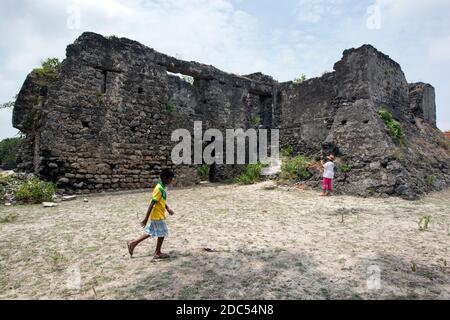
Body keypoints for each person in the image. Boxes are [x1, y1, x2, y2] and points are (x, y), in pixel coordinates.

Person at [127, 169, 175, 259]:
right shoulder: (159, 189)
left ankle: (133, 243)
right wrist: (146, 218)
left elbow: (161, 201)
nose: (170, 181)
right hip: (157, 215)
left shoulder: (161, 187)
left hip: (158, 214)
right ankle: (157, 252)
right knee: (162, 233)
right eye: (170, 179)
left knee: (151, 231)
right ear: (165, 178)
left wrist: (168, 208)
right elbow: (152, 203)